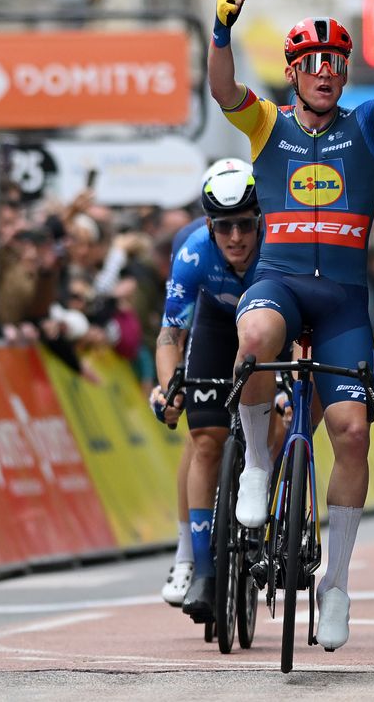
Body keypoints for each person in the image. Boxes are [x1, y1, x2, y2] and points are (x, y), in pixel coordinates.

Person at [206, 0, 374, 651]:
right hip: (279, 284)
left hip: (341, 302)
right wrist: (221, 32)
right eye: (314, 63)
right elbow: (223, 89)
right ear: (294, 71)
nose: (327, 72)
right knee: (253, 338)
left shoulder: (366, 124)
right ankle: (256, 461)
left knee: (354, 433)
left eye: (337, 62)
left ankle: (334, 584)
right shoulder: (267, 124)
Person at [150, 163, 261, 615]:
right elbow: (169, 336)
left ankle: (264, 516)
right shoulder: (194, 252)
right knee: (204, 443)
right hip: (216, 326)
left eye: (246, 225)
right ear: (210, 226)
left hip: (270, 327)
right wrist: (169, 388)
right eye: (224, 227)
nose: (236, 238)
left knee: (273, 424)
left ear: (260, 219)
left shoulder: (279, 246)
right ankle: (202, 568)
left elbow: (301, 325)